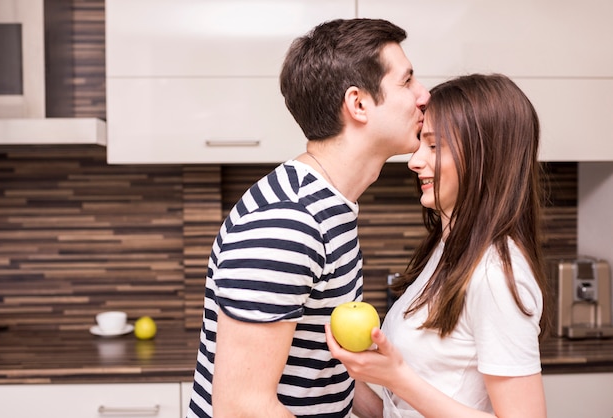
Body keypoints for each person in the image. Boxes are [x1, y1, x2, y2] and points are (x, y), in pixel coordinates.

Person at [187, 18, 430, 418]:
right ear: (358, 104)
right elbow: (241, 408)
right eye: (406, 81)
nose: (423, 96)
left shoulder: (328, 205)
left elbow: (325, 371)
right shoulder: (288, 221)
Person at [326, 73, 550, 418]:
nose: (415, 161)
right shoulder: (448, 251)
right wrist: (345, 365)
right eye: (420, 142)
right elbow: (399, 410)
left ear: (484, 157)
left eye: (434, 146)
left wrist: (398, 379)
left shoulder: (494, 276)